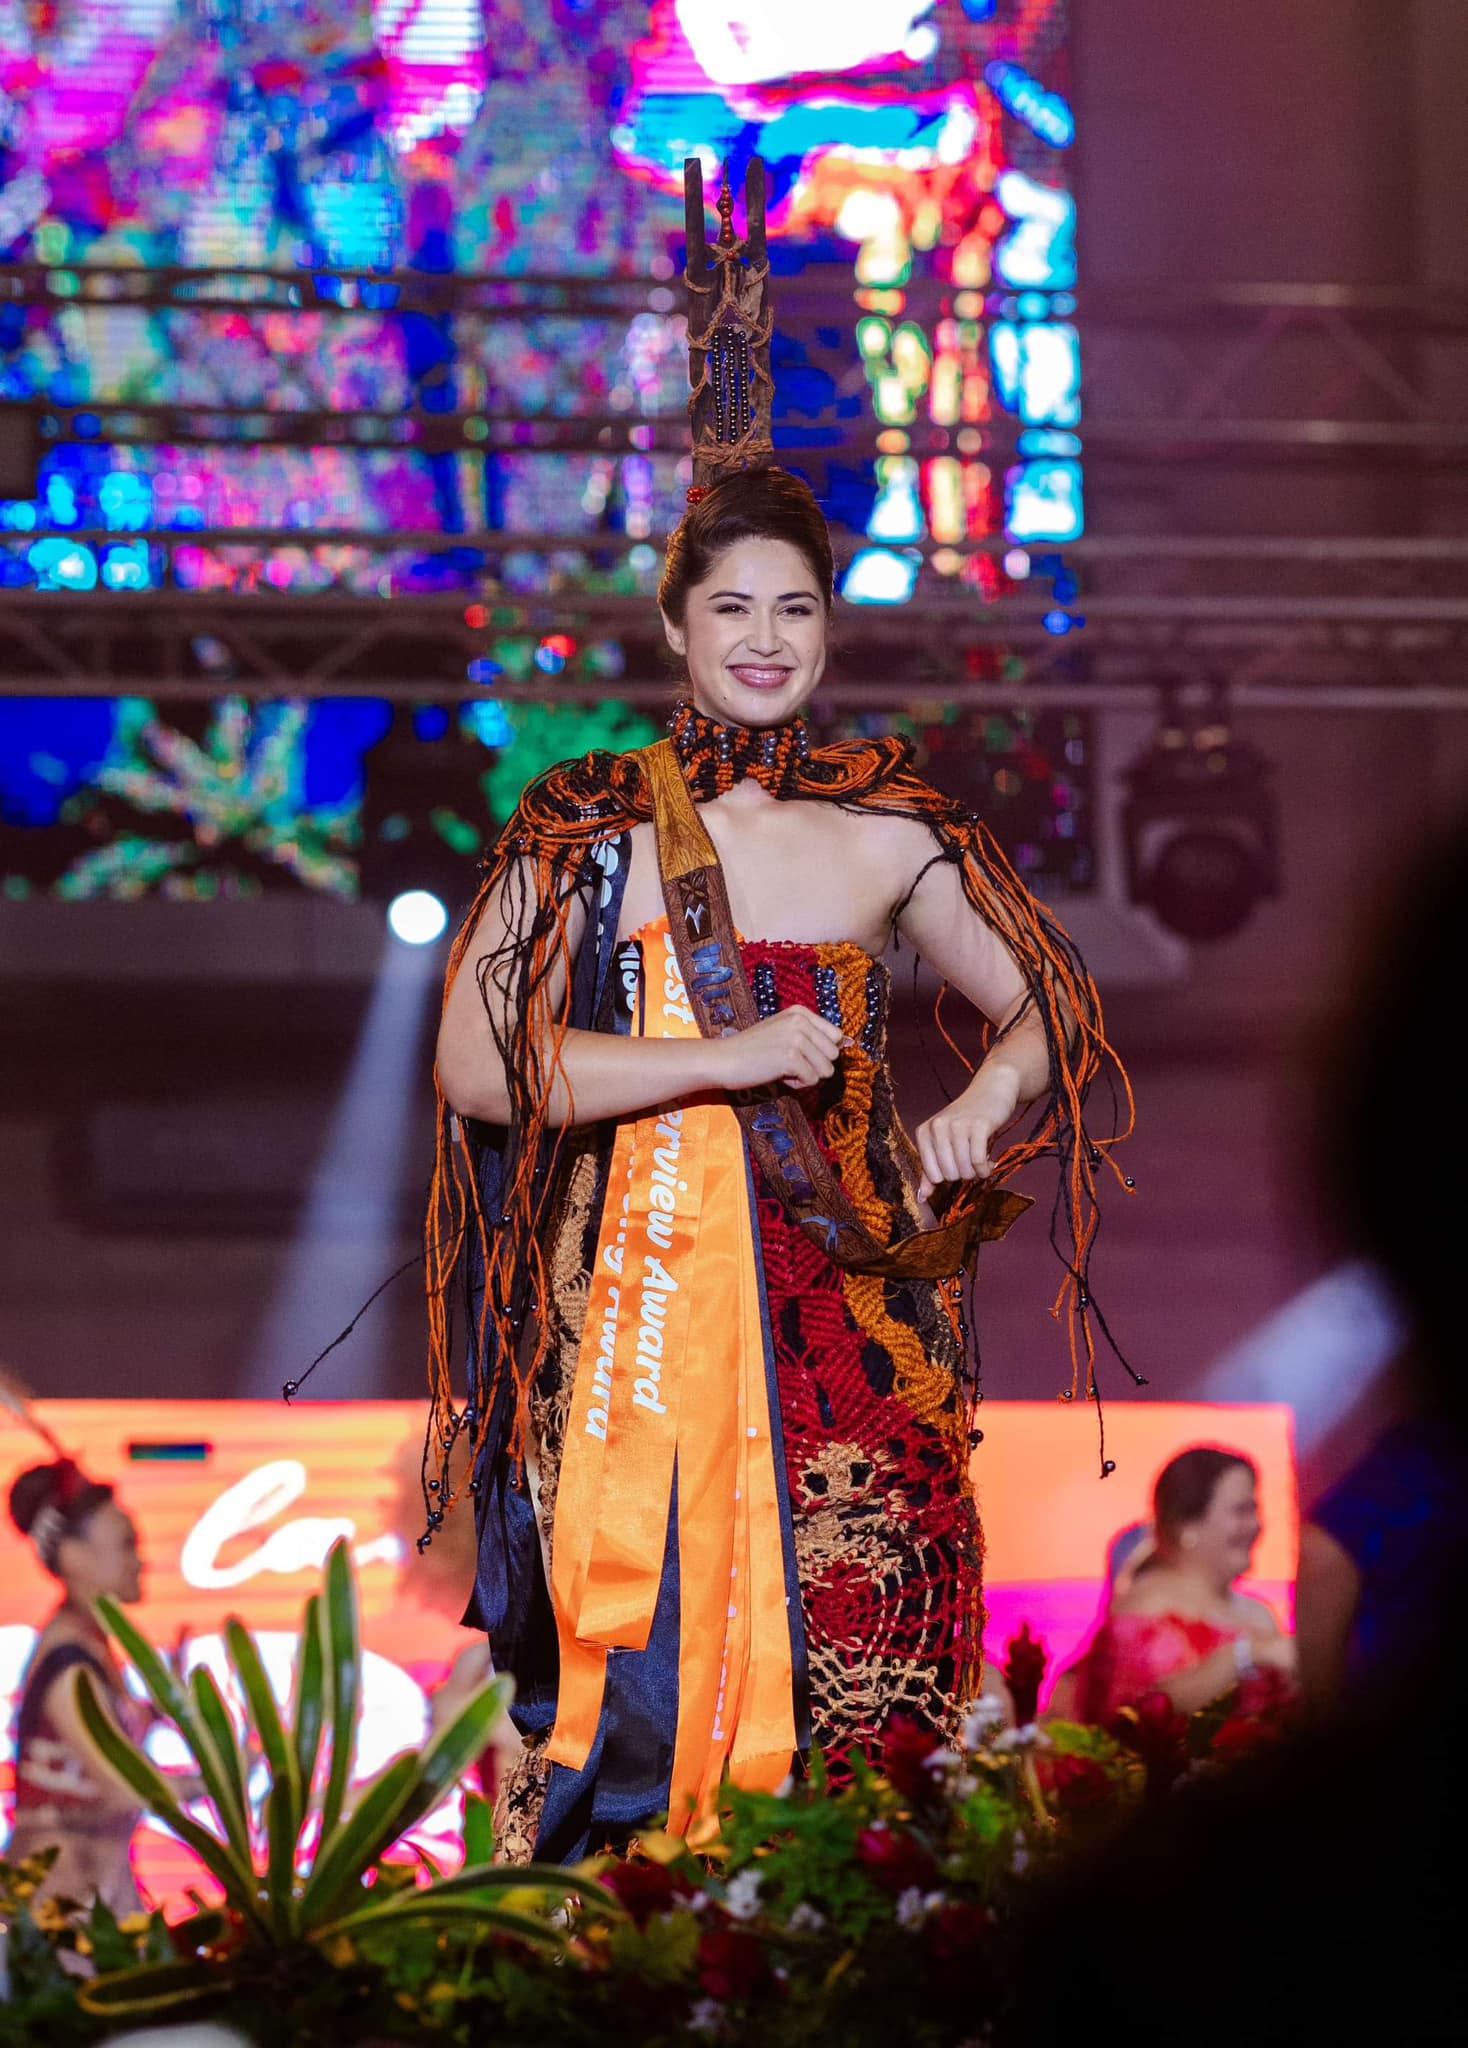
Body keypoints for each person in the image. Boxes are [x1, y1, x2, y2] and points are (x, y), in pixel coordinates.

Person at [425, 162, 1128, 1864]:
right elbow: (473, 1061)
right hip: (632, 1336)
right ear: (671, 623)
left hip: (850, 1319)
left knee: (860, 1704)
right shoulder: (584, 821)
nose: (761, 637)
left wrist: (992, 1092)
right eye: (727, 606)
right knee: (631, 1701)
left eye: (792, 607)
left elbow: (1046, 1000)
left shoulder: (892, 829)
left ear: (830, 624)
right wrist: (726, 1054)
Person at [6, 1457, 152, 1914]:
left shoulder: (92, 1646)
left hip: (97, 1885)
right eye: (126, 1545)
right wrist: (224, 1774)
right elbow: (123, 1789)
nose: (140, 1562)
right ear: (73, 1557)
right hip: (63, 1902)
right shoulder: (71, 1664)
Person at [1077, 1447, 1295, 1721]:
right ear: (1187, 1527)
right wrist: (1242, 1657)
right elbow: (1136, 1712)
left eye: (1254, 1510)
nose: (1255, 1525)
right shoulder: (1144, 1609)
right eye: (1241, 1511)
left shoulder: (1259, 1614)